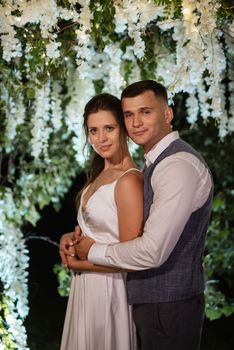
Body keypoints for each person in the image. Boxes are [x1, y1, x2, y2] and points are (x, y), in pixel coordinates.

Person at [71, 80, 214, 350]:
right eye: (128, 115)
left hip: (169, 307)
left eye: (145, 112)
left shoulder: (176, 166)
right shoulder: (158, 164)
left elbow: (152, 251)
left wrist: (90, 252)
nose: (136, 122)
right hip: (154, 305)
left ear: (167, 114)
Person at [59, 93, 143, 350]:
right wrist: (68, 238)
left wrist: (80, 263)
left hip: (110, 292)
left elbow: (130, 259)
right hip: (85, 289)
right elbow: (95, 228)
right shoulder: (99, 175)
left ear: (124, 129)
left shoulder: (128, 180)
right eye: (93, 130)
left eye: (109, 128)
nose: (101, 138)